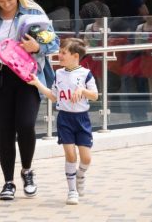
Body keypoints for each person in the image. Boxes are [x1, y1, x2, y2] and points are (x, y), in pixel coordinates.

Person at [0, 0, 60, 201]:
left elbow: (53, 42)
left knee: (25, 125)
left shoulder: (34, 13)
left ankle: (27, 171)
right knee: (5, 130)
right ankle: (8, 182)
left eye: (10, 0)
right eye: (1, 1)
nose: (6, 5)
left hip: (28, 76)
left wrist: (37, 46)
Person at [28, 37, 99, 205]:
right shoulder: (58, 73)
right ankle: (72, 190)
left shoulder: (85, 74)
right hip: (64, 118)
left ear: (75, 56)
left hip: (82, 119)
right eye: (59, 52)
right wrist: (38, 83)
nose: (59, 55)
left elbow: (95, 96)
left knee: (86, 158)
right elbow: (54, 96)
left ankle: (80, 176)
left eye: (63, 53)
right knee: (70, 154)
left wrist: (82, 90)